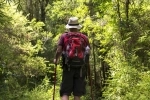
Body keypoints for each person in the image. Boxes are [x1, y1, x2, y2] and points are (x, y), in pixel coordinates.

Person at [53, 17, 90, 100]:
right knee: (77, 94)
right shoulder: (84, 37)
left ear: (69, 27)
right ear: (78, 27)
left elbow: (59, 49)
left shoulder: (64, 36)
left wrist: (56, 59)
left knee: (65, 92)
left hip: (68, 67)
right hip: (80, 68)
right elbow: (88, 52)